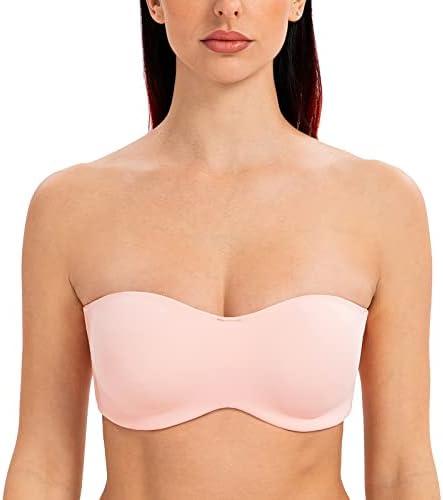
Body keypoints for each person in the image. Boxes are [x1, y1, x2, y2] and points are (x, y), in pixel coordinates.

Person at [3, 0, 440, 499]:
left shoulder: (381, 203)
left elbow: (402, 470)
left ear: (297, 1)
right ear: (155, 3)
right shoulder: (70, 206)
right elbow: (44, 465)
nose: (227, 7)